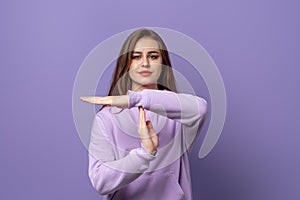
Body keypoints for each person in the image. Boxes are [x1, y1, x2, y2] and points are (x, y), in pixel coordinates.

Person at [80, 28, 207, 200]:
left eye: (153, 56)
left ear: (163, 64)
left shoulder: (178, 117)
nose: (145, 63)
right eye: (136, 56)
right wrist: (144, 154)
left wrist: (135, 99)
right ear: (127, 64)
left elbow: (200, 108)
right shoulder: (107, 119)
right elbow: (100, 181)